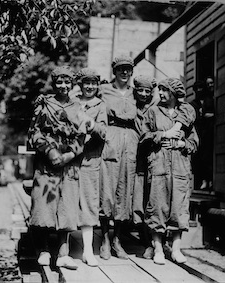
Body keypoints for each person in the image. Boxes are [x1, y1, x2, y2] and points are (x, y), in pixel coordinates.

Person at [27, 66, 85, 270]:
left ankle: (63, 254)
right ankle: (42, 249)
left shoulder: (78, 107)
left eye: (67, 82)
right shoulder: (44, 104)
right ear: (54, 83)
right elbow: (34, 133)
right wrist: (51, 152)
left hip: (68, 164)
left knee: (67, 205)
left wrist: (69, 154)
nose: (63, 86)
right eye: (59, 82)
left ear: (72, 84)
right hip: (47, 161)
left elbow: (81, 136)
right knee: (44, 204)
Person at [141, 77, 199, 265]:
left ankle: (175, 249)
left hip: (180, 166)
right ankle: (158, 248)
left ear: (174, 93)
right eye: (161, 90)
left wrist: (183, 143)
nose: (161, 93)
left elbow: (194, 142)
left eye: (165, 90)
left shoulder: (185, 114)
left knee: (179, 208)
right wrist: (162, 135)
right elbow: (143, 137)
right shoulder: (152, 112)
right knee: (157, 205)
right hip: (158, 164)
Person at [98, 55, 138, 260]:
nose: (124, 72)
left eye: (128, 69)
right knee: (107, 190)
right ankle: (104, 239)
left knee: (125, 190)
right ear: (114, 71)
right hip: (111, 136)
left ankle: (117, 240)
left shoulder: (136, 93)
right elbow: (84, 101)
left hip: (130, 138)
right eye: (121, 69)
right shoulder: (103, 90)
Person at [75, 68, 107, 267]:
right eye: (87, 82)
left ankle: (87, 250)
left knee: (88, 203)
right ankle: (63, 251)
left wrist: (91, 125)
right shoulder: (73, 103)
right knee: (67, 202)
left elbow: (104, 132)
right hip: (69, 159)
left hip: (90, 159)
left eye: (94, 83)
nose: (90, 86)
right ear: (81, 84)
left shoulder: (100, 105)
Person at [131, 75, 158, 259]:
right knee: (137, 200)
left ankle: (153, 243)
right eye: (140, 90)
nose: (143, 94)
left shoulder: (156, 109)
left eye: (147, 91)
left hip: (152, 159)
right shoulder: (130, 107)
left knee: (152, 200)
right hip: (134, 159)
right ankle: (144, 238)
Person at [190, 79, 214, 190]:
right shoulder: (193, 104)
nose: (199, 91)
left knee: (209, 156)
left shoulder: (210, 100)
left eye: (201, 88)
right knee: (199, 158)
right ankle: (202, 181)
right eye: (197, 89)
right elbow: (195, 118)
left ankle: (210, 180)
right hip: (198, 132)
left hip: (209, 132)